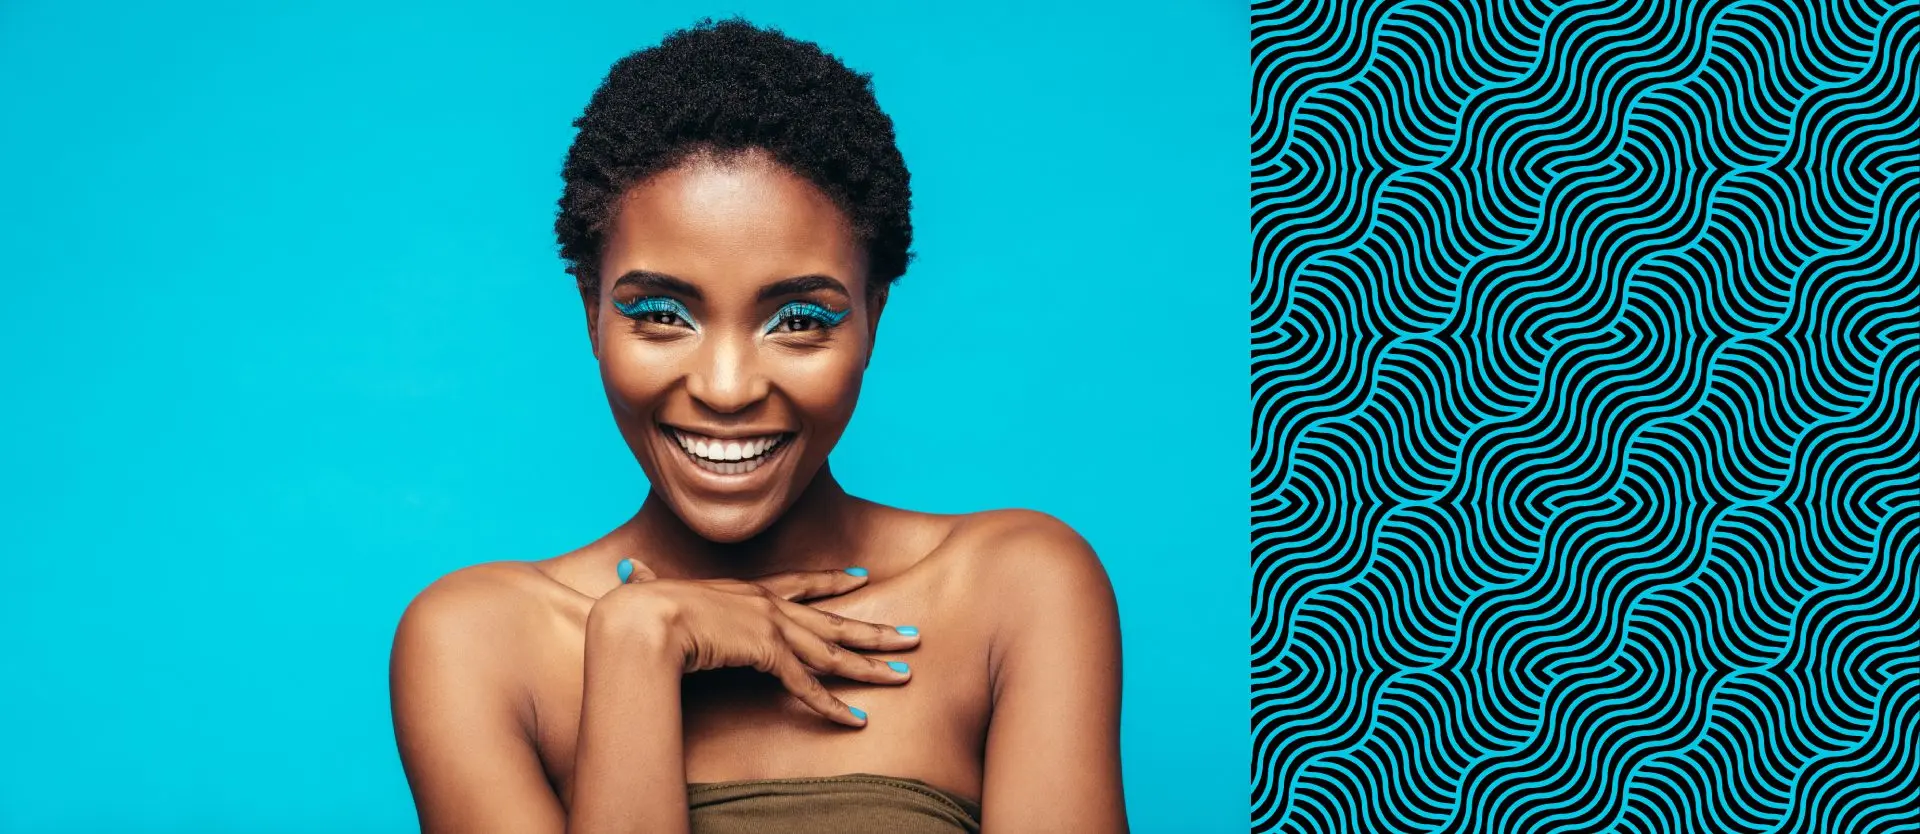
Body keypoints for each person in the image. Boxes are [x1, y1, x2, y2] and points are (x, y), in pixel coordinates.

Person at [387, 18, 1125, 834]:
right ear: (591, 316)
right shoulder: (478, 645)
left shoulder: (1013, 591)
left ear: (873, 319)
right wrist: (638, 644)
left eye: (800, 319)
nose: (728, 389)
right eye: (662, 314)